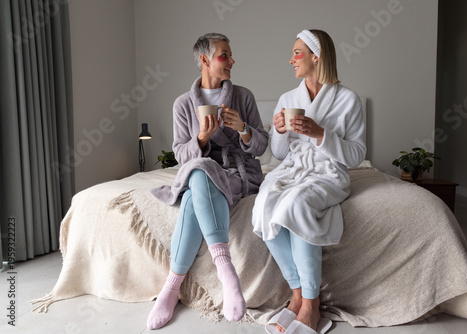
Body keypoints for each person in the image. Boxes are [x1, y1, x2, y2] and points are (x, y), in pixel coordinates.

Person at [147, 33, 268, 330]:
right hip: (202, 170)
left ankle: (172, 287)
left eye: (230, 55)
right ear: (204, 60)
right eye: (224, 55)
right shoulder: (182, 104)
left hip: (237, 172)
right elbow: (179, 154)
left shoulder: (243, 96)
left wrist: (243, 129)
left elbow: (262, 146)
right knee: (200, 169)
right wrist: (201, 138)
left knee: (192, 193)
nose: (232, 61)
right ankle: (226, 269)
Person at [252, 29, 366, 334]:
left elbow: (355, 155)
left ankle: (312, 307)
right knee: (263, 203)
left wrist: (320, 134)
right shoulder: (288, 99)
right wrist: (278, 131)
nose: (291, 60)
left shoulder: (348, 100)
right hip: (291, 170)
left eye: (297, 53)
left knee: (295, 203)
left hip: (329, 173)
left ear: (317, 57)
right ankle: (298, 295)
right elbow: (278, 153)